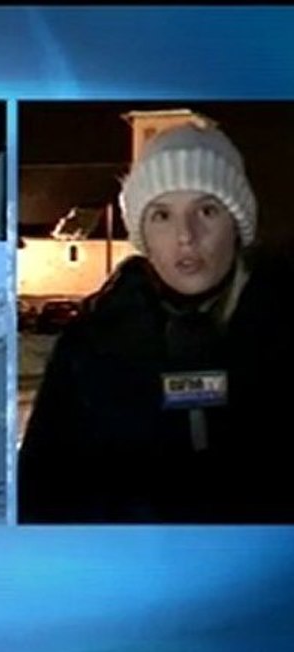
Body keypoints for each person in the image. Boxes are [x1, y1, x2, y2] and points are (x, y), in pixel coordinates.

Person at [18, 122, 294, 524]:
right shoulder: (88, 351)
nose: (186, 236)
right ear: (142, 233)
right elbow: (42, 497)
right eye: (162, 215)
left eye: (207, 210)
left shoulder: (283, 337)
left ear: (237, 225)